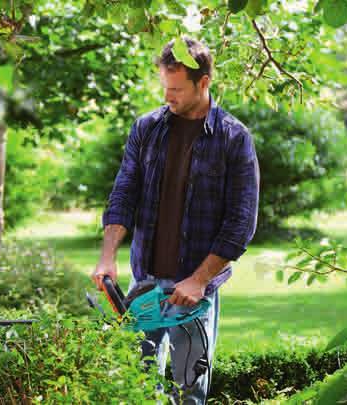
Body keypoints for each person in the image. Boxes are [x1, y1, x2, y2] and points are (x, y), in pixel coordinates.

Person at [91, 37, 260, 404]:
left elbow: (241, 223)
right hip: (144, 286)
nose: (168, 97)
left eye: (177, 90)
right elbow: (123, 194)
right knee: (133, 386)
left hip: (194, 294)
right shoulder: (147, 128)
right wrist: (107, 257)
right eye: (165, 88)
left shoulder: (234, 138)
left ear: (204, 83)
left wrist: (199, 280)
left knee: (189, 391)